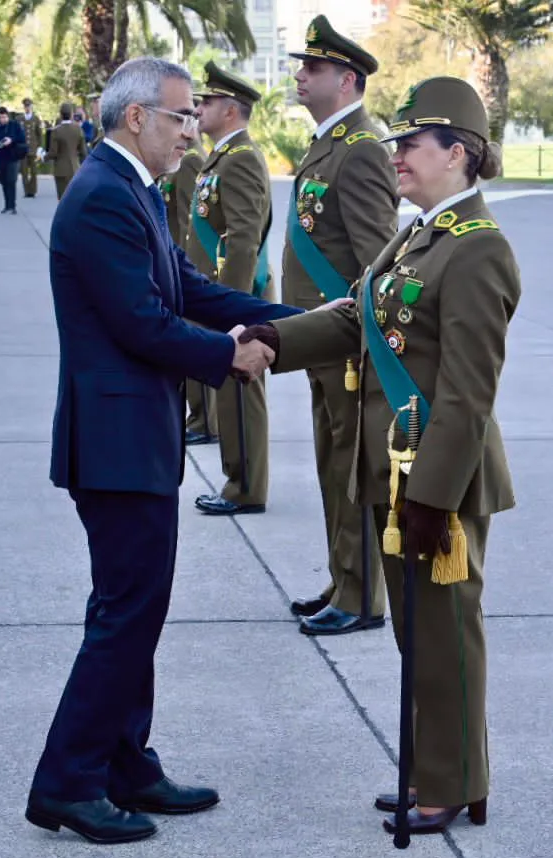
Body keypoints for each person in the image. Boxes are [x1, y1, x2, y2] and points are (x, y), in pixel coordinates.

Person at [26, 56, 307, 845]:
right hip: (113, 443)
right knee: (125, 613)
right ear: (135, 117)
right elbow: (144, 323)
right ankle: (67, 781)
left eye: (193, 117)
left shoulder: (130, 191)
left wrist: (306, 323)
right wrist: (231, 356)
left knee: (134, 608)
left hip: (132, 435)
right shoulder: (101, 198)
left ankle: (126, 762)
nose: (193, 129)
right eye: (182, 116)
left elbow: (193, 292)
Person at [241, 75, 517, 834]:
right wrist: (272, 338)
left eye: (411, 145)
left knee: (444, 636)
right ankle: (438, 769)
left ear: (457, 153)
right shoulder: (418, 234)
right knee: (417, 633)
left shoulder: (477, 251)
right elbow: (355, 313)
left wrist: (431, 494)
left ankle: (456, 781)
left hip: (439, 480)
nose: (396, 156)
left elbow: (467, 396)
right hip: (401, 470)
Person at [278, 15, 398, 636]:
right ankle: (342, 577)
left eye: (313, 67)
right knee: (331, 463)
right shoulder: (329, 143)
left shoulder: (361, 150)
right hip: (319, 338)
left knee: (350, 464)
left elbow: (378, 259)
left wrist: (348, 329)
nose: (300, 74)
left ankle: (360, 595)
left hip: (344, 342)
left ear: (347, 79)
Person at [185, 62, 275, 516]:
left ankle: (246, 488)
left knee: (242, 391)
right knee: (230, 389)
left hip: (231, 295)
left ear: (232, 110)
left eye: (207, 102)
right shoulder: (222, 156)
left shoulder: (239, 159)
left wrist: (233, 311)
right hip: (216, 292)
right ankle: (236, 480)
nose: (198, 108)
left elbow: (243, 239)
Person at [158, 143, 217, 443]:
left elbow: (186, 222)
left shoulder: (191, 161)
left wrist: (181, 269)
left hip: (186, 264)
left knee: (196, 337)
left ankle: (205, 420)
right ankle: (198, 417)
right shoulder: (177, 159)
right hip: (175, 261)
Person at [0, 106, 26, 214]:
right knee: (3, 181)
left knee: (11, 181)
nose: (2, 120)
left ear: (7, 117)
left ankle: (12, 206)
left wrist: (11, 140)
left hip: (13, 157)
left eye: (4, 117)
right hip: (0, 157)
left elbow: (22, 138)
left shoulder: (15, 126)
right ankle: (7, 204)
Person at [47, 102, 88, 200]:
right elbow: (83, 152)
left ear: (61, 115)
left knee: (62, 199)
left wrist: (44, 156)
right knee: (74, 198)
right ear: (71, 115)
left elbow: (53, 152)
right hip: (75, 168)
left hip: (60, 169)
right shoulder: (78, 129)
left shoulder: (56, 131)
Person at [19, 97, 45, 198]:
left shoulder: (36, 119)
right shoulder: (19, 119)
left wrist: (40, 148)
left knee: (34, 171)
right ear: (24, 107)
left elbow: (39, 135)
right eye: (26, 106)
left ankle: (32, 191)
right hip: (23, 149)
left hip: (33, 149)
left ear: (31, 106)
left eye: (29, 106)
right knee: (24, 171)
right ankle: (26, 191)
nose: (27, 108)